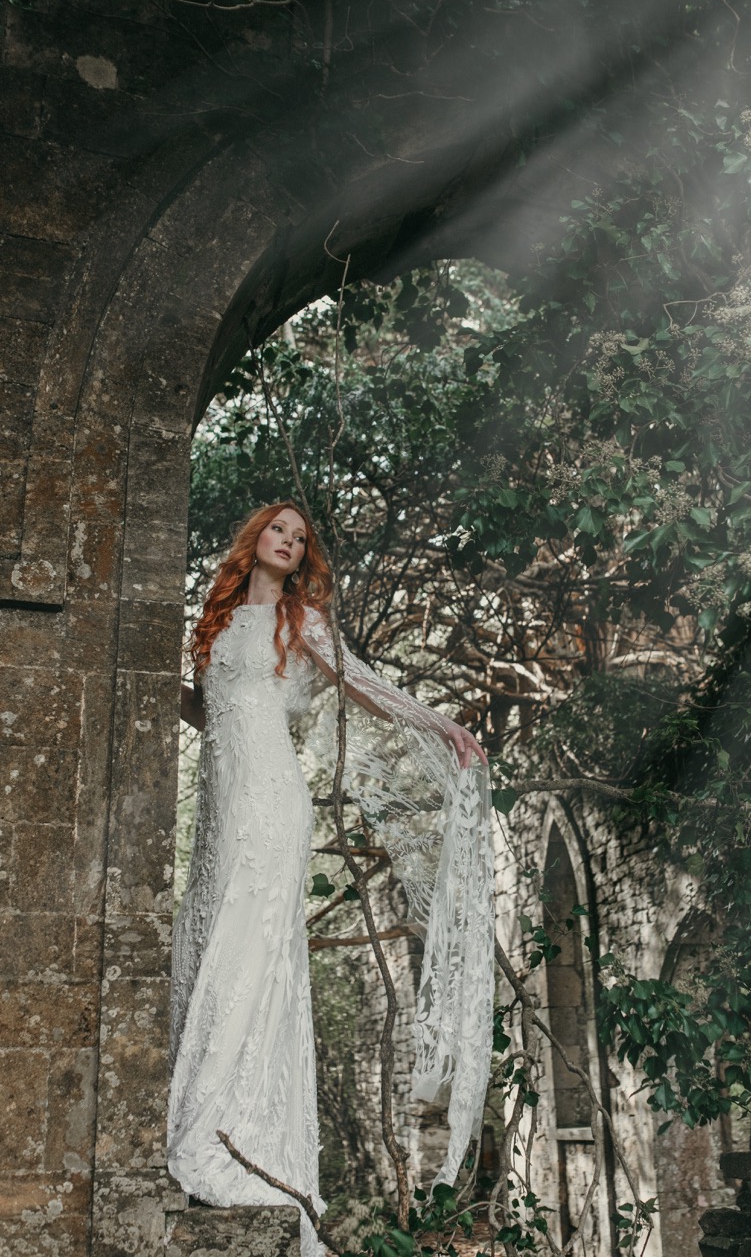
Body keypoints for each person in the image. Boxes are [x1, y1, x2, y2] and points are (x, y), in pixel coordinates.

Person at [168, 501, 494, 1255]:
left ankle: (218, 1135)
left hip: (271, 807)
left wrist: (439, 725)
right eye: (279, 530)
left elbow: (363, 686)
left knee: (247, 962)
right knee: (207, 946)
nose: (288, 542)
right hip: (219, 814)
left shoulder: (299, 618)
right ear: (254, 539)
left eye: (300, 538)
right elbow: (209, 714)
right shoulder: (214, 621)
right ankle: (203, 1120)